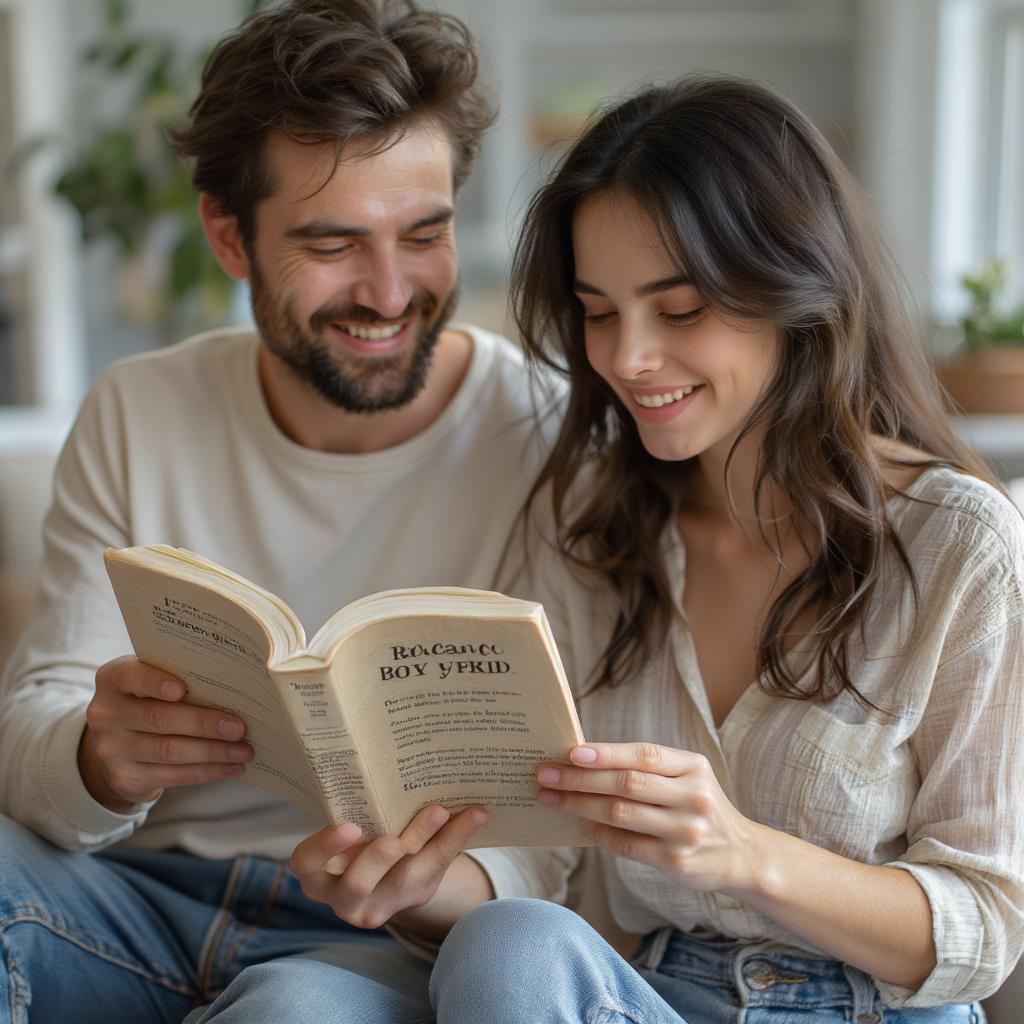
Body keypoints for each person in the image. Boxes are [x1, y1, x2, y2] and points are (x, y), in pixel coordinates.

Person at [0, 2, 565, 1021]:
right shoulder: (141, 406)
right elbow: (32, 731)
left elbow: (563, 841)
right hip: (130, 900)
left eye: (423, 235)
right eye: (333, 243)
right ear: (229, 236)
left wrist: (429, 888)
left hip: (364, 944)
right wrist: (96, 757)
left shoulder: (547, 434)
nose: (390, 291)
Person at [424, 75, 1024, 1021]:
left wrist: (742, 851)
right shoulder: (591, 532)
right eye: (598, 310)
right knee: (509, 946)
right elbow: (544, 856)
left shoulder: (962, 544)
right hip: (656, 999)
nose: (627, 357)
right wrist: (414, 885)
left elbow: (985, 926)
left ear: (794, 288)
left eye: (681, 309)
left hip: (876, 1010)